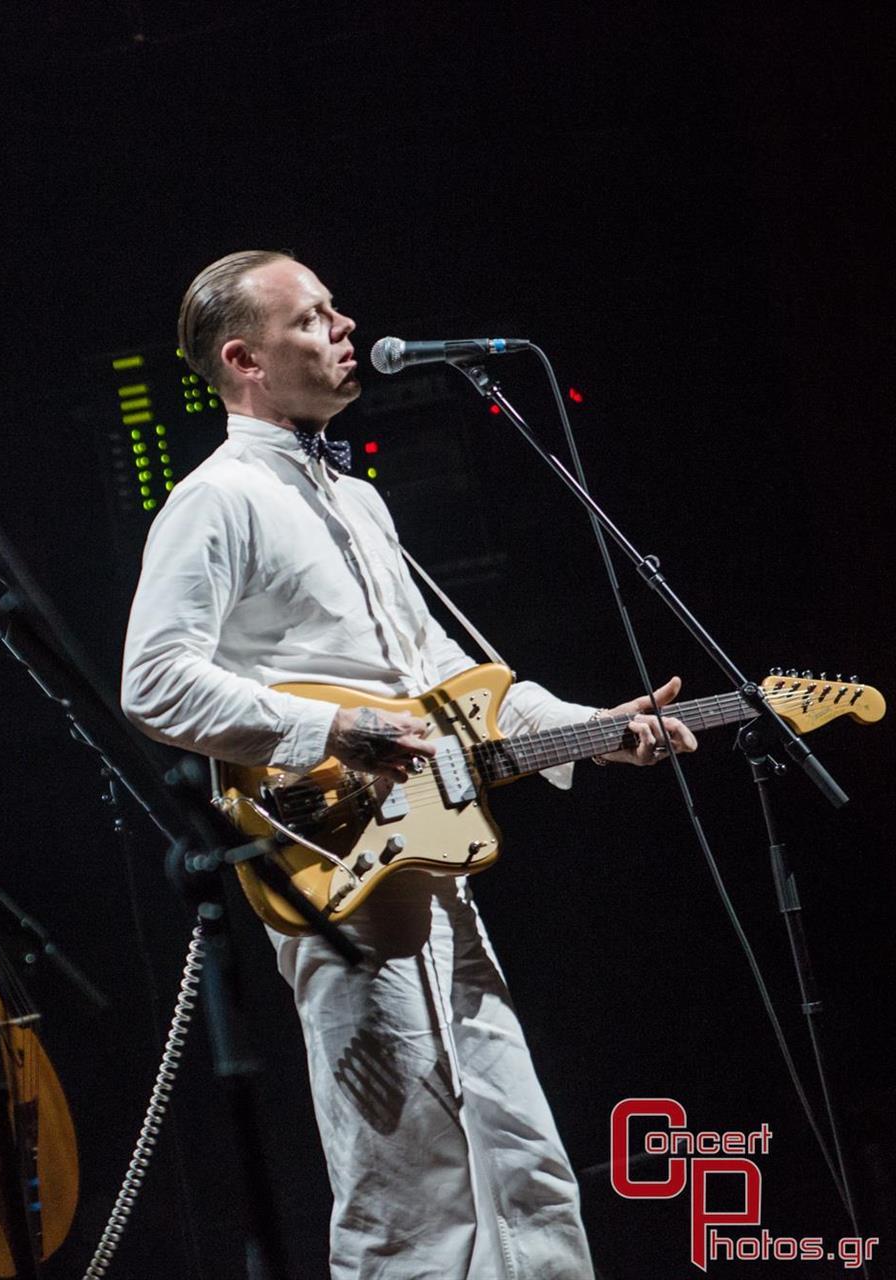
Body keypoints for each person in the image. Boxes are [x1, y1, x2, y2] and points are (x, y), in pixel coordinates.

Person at [121, 250, 697, 1279]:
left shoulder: (359, 501)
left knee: (524, 1170)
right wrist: (328, 732)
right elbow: (154, 682)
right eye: (313, 317)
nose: (346, 326)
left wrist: (596, 727)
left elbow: (440, 674)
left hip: (430, 856)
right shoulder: (217, 500)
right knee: (410, 1198)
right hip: (334, 867)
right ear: (244, 357)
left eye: (337, 309)